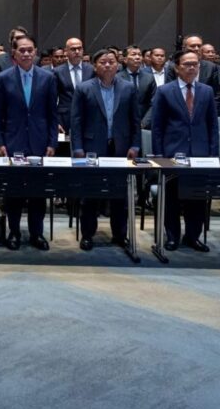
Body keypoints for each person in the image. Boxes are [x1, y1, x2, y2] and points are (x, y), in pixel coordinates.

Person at [0, 34, 59, 251]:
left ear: (36, 52)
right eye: (22, 50)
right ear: (14, 53)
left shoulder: (48, 78)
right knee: (14, 193)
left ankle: (37, 234)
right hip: (13, 143)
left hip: (40, 143)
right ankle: (14, 232)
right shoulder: (3, 78)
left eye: (30, 50)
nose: (27, 53)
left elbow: (53, 115)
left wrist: (52, 143)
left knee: (38, 193)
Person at [71, 48, 141, 250]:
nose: (108, 65)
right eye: (103, 62)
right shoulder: (84, 88)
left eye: (111, 61)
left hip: (121, 148)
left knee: (120, 195)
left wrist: (135, 145)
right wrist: (78, 148)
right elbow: (76, 121)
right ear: (95, 66)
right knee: (90, 195)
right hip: (91, 148)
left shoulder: (128, 88)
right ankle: (87, 235)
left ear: (118, 65)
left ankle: (120, 235)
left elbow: (135, 120)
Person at [150, 49, 218, 252]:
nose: (192, 68)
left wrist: (213, 154)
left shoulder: (206, 91)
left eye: (195, 64)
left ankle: (193, 236)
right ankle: (172, 237)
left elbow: (212, 125)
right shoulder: (165, 91)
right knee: (171, 198)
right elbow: (157, 126)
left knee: (197, 198)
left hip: (200, 153)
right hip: (172, 153)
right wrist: (159, 156)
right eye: (187, 64)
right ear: (177, 68)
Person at [167, 35, 220, 112]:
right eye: (193, 46)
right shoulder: (173, 66)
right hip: (177, 111)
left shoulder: (211, 67)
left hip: (203, 111)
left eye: (199, 46)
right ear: (184, 48)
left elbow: (215, 94)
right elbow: (169, 92)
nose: (196, 48)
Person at [55, 36, 94, 135]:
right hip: (64, 118)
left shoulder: (92, 70)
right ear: (66, 52)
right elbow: (51, 99)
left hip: (88, 116)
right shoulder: (57, 72)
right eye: (73, 49)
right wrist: (55, 121)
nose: (77, 52)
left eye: (79, 48)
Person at [0, 26, 27, 112]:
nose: (20, 40)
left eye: (23, 38)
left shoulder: (34, 60)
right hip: (6, 108)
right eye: (17, 38)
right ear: (11, 40)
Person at [116, 44, 156, 128]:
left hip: (144, 123)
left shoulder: (149, 78)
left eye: (139, 55)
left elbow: (154, 103)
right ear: (125, 59)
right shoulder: (117, 78)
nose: (137, 57)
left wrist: (144, 123)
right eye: (133, 54)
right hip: (122, 124)